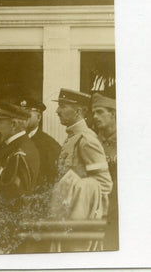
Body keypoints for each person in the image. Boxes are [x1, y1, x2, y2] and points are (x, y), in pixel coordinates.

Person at [50, 88, 113, 251]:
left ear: (78, 111)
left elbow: (105, 184)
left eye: (63, 106)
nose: (58, 111)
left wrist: (76, 190)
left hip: (78, 222)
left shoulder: (86, 140)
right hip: (64, 216)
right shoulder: (72, 137)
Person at [0, 101, 40, 253]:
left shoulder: (19, 152)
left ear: (14, 124)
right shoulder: (12, 147)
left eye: (0, 122)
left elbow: (15, 203)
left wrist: (4, 244)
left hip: (9, 238)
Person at [91, 92, 118, 250]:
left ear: (113, 113)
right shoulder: (92, 143)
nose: (95, 116)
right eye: (93, 112)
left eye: (100, 112)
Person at [17, 97, 61, 193]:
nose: (23, 116)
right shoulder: (15, 140)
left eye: (28, 112)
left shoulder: (49, 145)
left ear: (39, 117)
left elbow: (52, 181)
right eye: (20, 113)